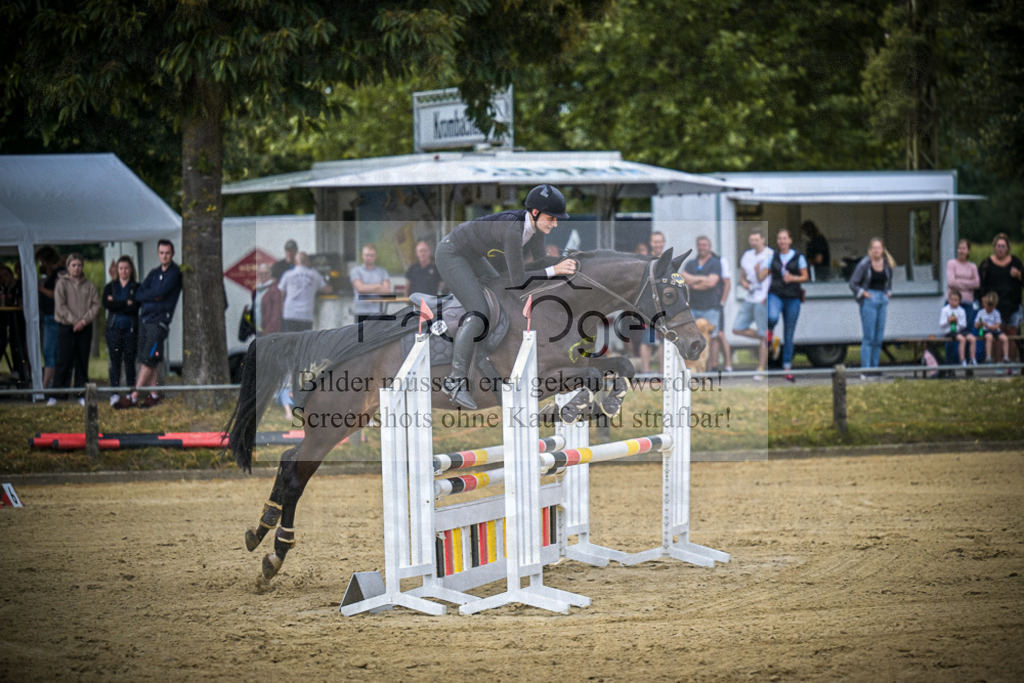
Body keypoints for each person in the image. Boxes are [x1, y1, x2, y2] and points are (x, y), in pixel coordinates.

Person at [435, 183, 575, 409]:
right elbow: (518, 279)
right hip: (452, 254)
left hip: (472, 256)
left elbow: (540, 264)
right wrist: (555, 270)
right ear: (536, 213)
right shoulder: (513, 229)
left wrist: (566, 266)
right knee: (480, 311)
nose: (555, 223)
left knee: (503, 296)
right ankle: (455, 380)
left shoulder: (536, 229)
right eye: (552, 218)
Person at [119, 240, 181, 409]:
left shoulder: (175, 273)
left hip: (159, 323)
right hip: (145, 320)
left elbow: (161, 293)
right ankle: (154, 395)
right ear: (158, 253)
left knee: (148, 359)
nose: (164, 256)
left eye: (167, 253)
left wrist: (152, 297)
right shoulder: (154, 273)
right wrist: (153, 297)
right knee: (149, 359)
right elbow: (139, 294)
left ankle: (134, 396)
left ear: (172, 253)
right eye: (161, 253)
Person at [50, 253, 100, 406]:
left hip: (84, 327)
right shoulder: (61, 284)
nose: (77, 268)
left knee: (81, 361)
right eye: (74, 265)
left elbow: (96, 304)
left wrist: (84, 321)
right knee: (63, 360)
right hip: (66, 326)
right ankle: (57, 394)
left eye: (79, 265)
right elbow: (61, 306)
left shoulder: (89, 285)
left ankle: (81, 394)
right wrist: (74, 321)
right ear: (68, 267)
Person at [766, 229, 809, 382]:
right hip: (776, 294)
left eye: (785, 238)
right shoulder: (773, 256)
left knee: (789, 333)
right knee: (771, 317)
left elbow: (805, 276)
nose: (782, 241)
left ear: (790, 241)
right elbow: (764, 273)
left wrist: (793, 278)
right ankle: (769, 332)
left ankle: (787, 368)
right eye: (779, 239)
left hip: (793, 297)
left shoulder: (799, 257)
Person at [849, 237, 894, 378]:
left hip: (882, 299)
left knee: (878, 337)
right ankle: (865, 371)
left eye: (878, 248)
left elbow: (889, 282)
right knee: (869, 337)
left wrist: (889, 293)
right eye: (874, 248)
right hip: (869, 300)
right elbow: (853, 283)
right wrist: (863, 293)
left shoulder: (887, 264)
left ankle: (874, 369)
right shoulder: (864, 264)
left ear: (883, 249)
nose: (876, 250)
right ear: (870, 249)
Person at [731, 229, 774, 379]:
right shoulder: (747, 256)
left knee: (763, 333)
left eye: (756, 240)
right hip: (750, 297)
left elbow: (765, 278)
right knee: (737, 328)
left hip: (763, 298)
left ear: (763, 239)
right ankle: (768, 339)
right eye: (751, 240)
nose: (754, 243)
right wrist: (744, 284)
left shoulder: (769, 254)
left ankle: (761, 369)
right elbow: (742, 277)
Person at [978, 233, 1023, 361]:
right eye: (998, 246)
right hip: (995, 307)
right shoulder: (987, 263)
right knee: (997, 335)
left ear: (1008, 248)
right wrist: (983, 300)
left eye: (1003, 246)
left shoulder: (1015, 262)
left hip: (1013, 305)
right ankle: (998, 365)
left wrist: (1018, 274)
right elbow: (981, 285)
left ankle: (1012, 366)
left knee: (1012, 335)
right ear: (994, 247)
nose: (1000, 249)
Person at [102, 256, 139, 407]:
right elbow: (107, 304)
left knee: (130, 363)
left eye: (126, 268)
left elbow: (135, 306)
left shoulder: (136, 287)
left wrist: (116, 304)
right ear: (117, 270)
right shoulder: (110, 287)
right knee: (115, 363)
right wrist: (125, 303)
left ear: (131, 270)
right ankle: (115, 394)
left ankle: (131, 394)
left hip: (130, 330)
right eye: (121, 268)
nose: (124, 271)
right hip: (114, 330)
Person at [279, 251, 333, 332]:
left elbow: (280, 294)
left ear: (295, 262)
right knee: (304, 342)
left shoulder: (288, 274)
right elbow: (327, 290)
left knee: (289, 342)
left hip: (289, 313)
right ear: (308, 262)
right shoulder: (314, 274)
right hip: (306, 315)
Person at [682, 236, 722, 339]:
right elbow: (683, 277)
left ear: (709, 247)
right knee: (693, 336)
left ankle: (713, 356)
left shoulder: (715, 263)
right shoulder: (691, 263)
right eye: (699, 245)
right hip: (693, 307)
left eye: (704, 245)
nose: (702, 247)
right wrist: (704, 279)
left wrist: (693, 282)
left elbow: (712, 283)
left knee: (712, 337)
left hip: (711, 308)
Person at [36, 248, 65, 389]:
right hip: (49, 316)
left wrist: (40, 288)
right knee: (52, 351)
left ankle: (45, 385)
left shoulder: (58, 273)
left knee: (50, 351)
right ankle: (51, 383)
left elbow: (56, 294)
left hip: (53, 317)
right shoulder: (53, 273)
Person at [946, 238, 981, 336]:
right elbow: (951, 282)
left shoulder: (972, 266)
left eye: (964, 248)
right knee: (951, 331)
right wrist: (969, 284)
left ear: (968, 251)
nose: (961, 251)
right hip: (952, 302)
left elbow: (977, 283)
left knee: (967, 331)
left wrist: (959, 282)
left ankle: (966, 352)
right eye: (959, 248)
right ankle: (951, 352)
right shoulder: (951, 263)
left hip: (968, 303)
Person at [707, 247, 733, 373]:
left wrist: (722, 301)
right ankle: (710, 366)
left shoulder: (720, 261)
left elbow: (727, 283)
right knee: (710, 336)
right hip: (706, 304)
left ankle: (728, 364)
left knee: (720, 334)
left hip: (717, 304)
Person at [349, 244, 391, 319]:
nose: (369, 258)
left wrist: (367, 288)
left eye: (372, 255)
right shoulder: (355, 271)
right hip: (360, 312)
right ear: (362, 255)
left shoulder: (382, 271)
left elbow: (386, 290)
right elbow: (360, 289)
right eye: (367, 255)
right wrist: (378, 286)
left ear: (375, 256)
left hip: (376, 312)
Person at [940, 289, 976, 366]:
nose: (953, 301)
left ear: (959, 301)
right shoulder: (945, 310)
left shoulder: (962, 310)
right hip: (949, 331)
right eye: (951, 299)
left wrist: (957, 322)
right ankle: (962, 360)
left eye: (955, 300)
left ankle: (972, 359)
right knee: (962, 339)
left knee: (973, 338)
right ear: (948, 300)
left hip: (960, 330)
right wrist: (948, 321)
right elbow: (941, 324)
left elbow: (964, 325)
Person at [976, 292, 1010, 365]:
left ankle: (1006, 356)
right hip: (985, 331)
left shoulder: (996, 313)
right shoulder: (981, 313)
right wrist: (980, 324)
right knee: (989, 337)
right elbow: (976, 325)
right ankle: (988, 356)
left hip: (995, 330)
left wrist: (988, 326)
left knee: (1005, 338)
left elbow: (997, 326)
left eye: (991, 307)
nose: (989, 308)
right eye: (988, 306)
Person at [251, 263, 283, 336]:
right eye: (261, 273)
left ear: (270, 274)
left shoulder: (274, 291)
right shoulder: (258, 290)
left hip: (268, 331)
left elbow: (276, 314)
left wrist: (268, 331)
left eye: (266, 273)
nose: (263, 275)